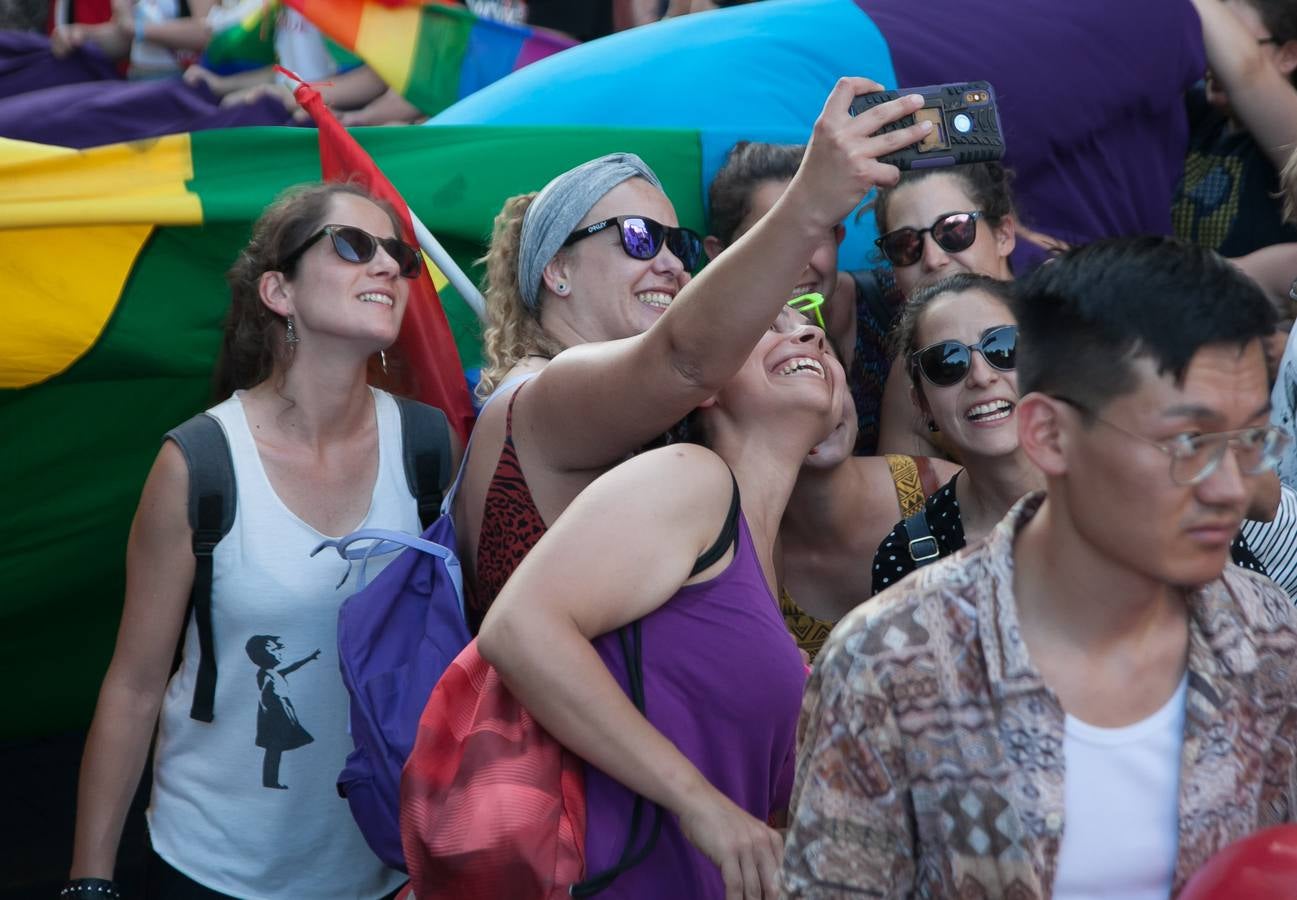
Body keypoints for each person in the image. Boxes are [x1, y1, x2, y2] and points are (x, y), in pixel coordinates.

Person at [781, 236, 1297, 897]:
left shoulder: (1272, 639)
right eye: (1186, 441)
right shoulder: (888, 665)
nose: (1230, 487)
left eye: (1250, 439)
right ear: (1050, 434)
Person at [64, 182, 454, 899]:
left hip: (386, 870)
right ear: (278, 290)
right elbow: (134, 685)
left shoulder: (429, 447)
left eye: (397, 255)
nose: (387, 268)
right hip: (210, 866)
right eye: (350, 245)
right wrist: (90, 881)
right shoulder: (200, 463)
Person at [455, 77, 932, 632]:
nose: (672, 265)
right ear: (557, 270)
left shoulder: (650, 427)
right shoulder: (540, 395)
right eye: (638, 236)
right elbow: (683, 360)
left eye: (678, 244)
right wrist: (809, 201)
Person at [479, 306, 844, 900]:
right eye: (766, 325)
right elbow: (518, 629)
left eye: (812, 330)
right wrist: (699, 802)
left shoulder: (759, 566)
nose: (810, 333)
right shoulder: (688, 478)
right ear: (702, 387)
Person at [870, 274, 1041, 594]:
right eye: (946, 362)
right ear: (921, 402)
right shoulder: (907, 558)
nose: (981, 376)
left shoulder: (1120, 484)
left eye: (1004, 346)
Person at [868, 163, 1019, 458]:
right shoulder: (911, 372)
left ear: (1003, 234)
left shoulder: (1070, 321)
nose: (933, 259)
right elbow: (905, 499)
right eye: (906, 244)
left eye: (954, 230)